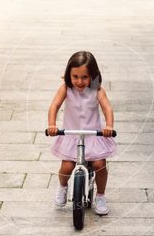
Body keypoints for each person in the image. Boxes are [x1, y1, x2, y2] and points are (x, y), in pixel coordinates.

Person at [46, 51, 116, 215]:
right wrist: (51, 124)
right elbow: (54, 106)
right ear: (68, 75)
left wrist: (109, 126)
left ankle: (100, 196)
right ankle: (62, 187)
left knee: (100, 165)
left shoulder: (97, 91)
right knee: (67, 166)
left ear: (93, 75)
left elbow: (107, 108)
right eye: (75, 76)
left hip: (93, 136)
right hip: (71, 135)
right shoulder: (65, 89)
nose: (79, 81)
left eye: (84, 77)